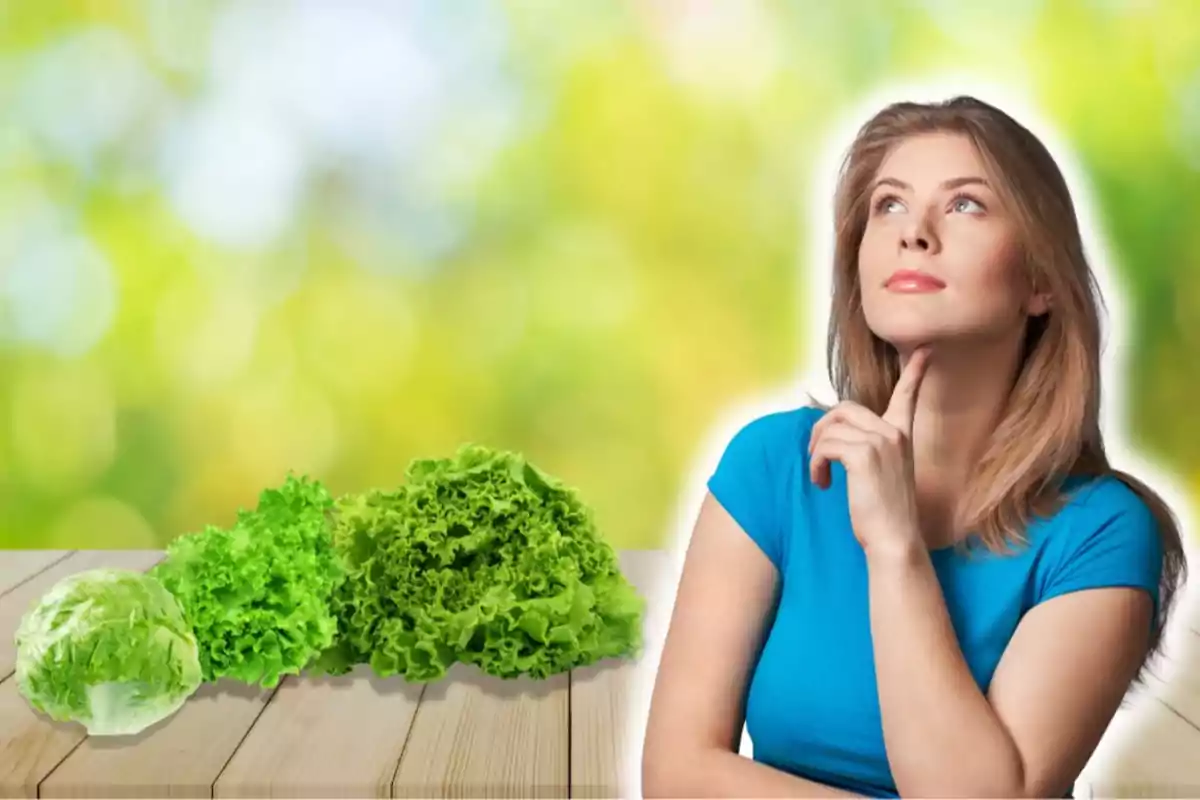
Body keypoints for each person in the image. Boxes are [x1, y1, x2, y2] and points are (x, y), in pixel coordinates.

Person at [640, 95, 1189, 799]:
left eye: (966, 206)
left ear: (1041, 281)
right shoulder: (772, 466)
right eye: (889, 206)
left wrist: (895, 547)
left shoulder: (1102, 532)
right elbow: (676, 774)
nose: (914, 233)